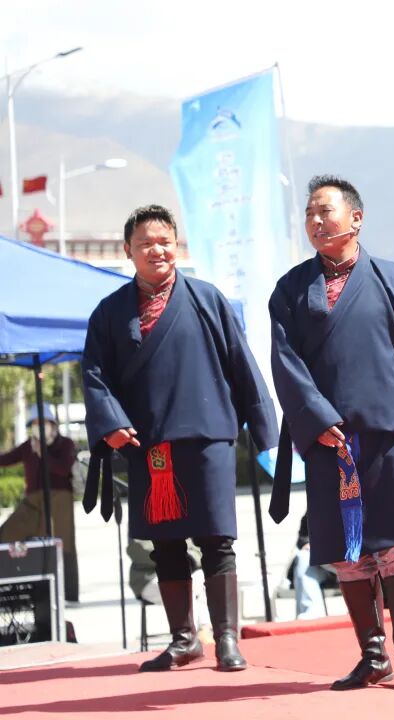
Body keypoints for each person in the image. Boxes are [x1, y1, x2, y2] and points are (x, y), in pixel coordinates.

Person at [81, 204, 278, 672]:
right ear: (128, 250)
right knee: (165, 543)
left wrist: (264, 428)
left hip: (207, 436)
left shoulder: (208, 299)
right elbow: (94, 374)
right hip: (148, 444)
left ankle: (226, 639)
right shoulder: (109, 312)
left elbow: (241, 363)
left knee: (217, 540)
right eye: (146, 243)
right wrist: (110, 422)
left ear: (177, 246)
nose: (157, 250)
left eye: (165, 242)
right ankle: (184, 639)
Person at [268, 175, 394, 692]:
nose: (316, 221)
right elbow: (285, 361)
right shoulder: (291, 289)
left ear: (356, 218)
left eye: (325, 210)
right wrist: (316, 418)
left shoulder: (392, 279)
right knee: (349, 552)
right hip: (328, 439)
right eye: (310, 214)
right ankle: (372, 655)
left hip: (391, 433)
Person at [0, 407, 80, 603]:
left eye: (43, 423)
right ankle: (16, 588)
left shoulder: (66, 444)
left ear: (52, 424)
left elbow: (63, 469)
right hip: (33, 500)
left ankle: (69, 594)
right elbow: (7, 459)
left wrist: (43, 453)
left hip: (60, 499)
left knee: (64, 545)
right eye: (35, 424)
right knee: (8, 534)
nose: (39, 427)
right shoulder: (29, 446)